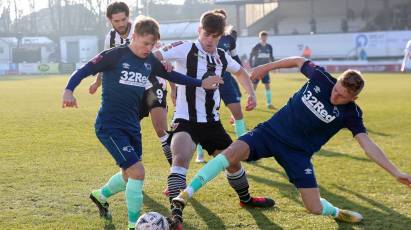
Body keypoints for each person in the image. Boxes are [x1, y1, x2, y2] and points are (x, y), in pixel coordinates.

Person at [172, 56, 411, 226]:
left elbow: (367, 145)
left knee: (314, 208)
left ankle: (337, 212)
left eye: (342, 96)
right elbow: (298, 61)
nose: (335, 95)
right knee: (230, 154)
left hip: (297, 153)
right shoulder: (320, 77)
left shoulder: (351, 114)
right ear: (336, 80)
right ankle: (185, 195)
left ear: (354, 97)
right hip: (270, 132)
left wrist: (395, 172)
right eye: (336, 89)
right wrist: (265, 67)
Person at [61, 16, 222, 229]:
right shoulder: (114, 55)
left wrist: (200, 83)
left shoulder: (149, 61)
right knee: (138, 172)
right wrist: (68, 90)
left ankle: (100, 195)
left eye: (153, 44)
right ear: (134, 36)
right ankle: (132, 225)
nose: (149, 48)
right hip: (110, 126)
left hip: (132, 126)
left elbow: (175, 76)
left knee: (129, 176)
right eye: (145, 43)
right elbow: (84, 70)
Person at [154, 11, 275, 230]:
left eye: (215, 36)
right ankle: (176, 216)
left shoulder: (221, 55)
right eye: (207, 34)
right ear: (199, 31)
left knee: (233, 162)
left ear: (220, 36)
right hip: (186, 120)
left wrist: (251, 94)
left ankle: (246, 199)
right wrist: (164, 64)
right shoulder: (185, 47)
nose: (210, 40)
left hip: (212, 123)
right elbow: (155, 56)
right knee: (180, 160)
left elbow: (240, 73)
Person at [88, 1, 173, 165]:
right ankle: (132, 172)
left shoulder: (142, 29)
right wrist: (97, 82)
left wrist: (174, 86)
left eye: (123, 19)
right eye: (116, 21)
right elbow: (106, 63)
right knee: (126, 129)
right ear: (110, 21)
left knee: (161, 130)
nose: (121, 24)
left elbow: (161, 54)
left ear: (129, 17)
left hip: (153, 84)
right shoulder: (110, 38)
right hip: (131, 89)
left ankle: (176, 175)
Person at [195, 9, 247, 163]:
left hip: (226, 81)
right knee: (199, 118)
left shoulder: (230, 39)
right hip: (208, 83)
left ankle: (244, 149)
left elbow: (235, 57)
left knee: (238, 112)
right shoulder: (204, 38)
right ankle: (200, 155)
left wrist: (242, 73)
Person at [249, 31, 275, 109]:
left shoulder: (269, 47)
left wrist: (274, 66)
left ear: (267, 38)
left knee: (267, 86)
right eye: (262, 37)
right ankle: (251, 103)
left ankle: (269, 103)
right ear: (260, 38)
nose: (264, 38)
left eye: (265, 37)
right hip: (257, 70)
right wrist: (252, 67)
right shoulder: (256, 46)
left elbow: (271, 57)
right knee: (254, 87)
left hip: (266, 69)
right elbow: (251, 57)